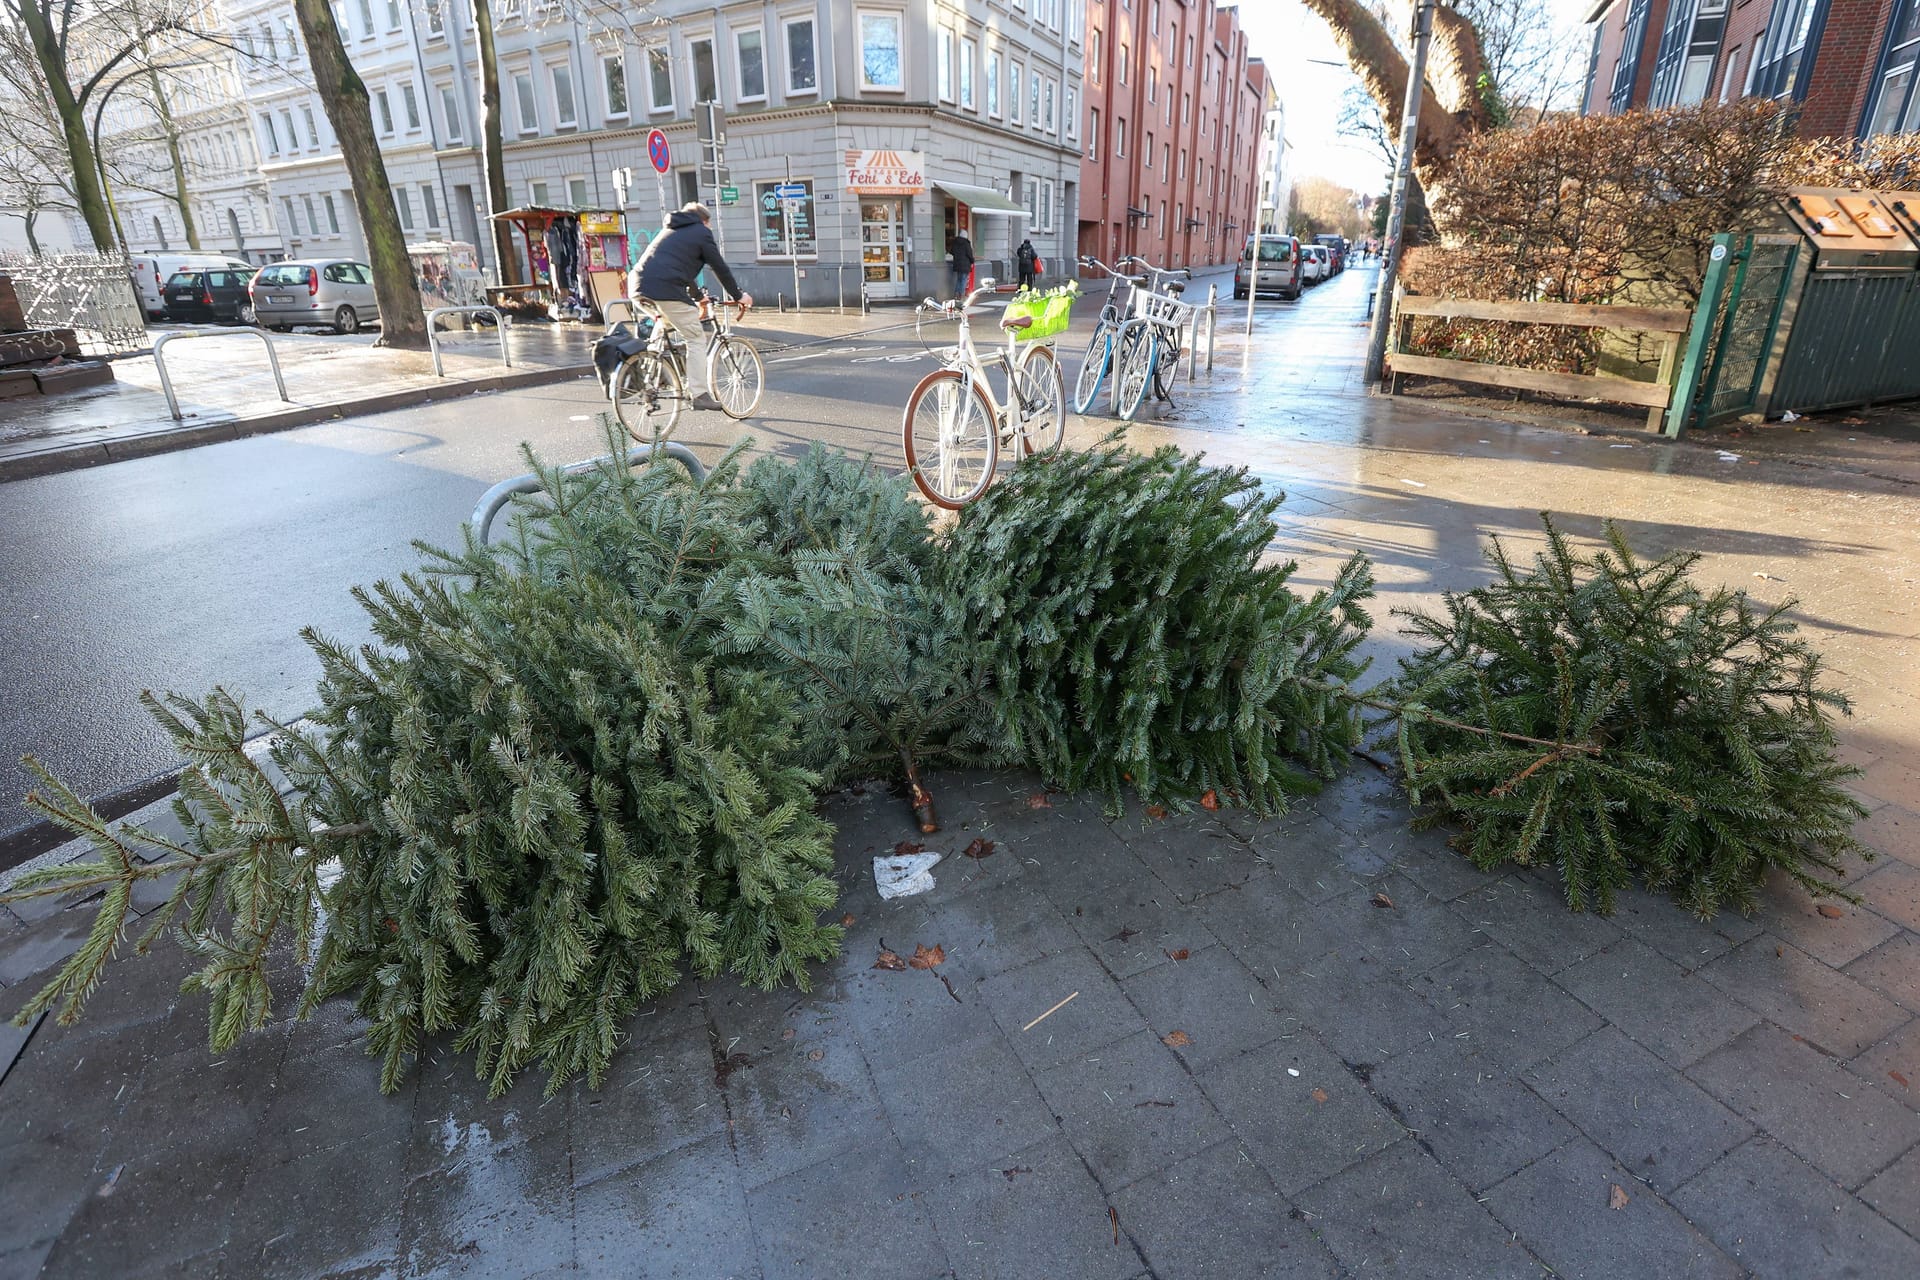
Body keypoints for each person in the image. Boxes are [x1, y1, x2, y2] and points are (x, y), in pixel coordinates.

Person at [629, 202, 753, 411]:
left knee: (663, 324)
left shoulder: (672, 231)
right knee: (695, 337)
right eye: (709, 224)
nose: (710, 228)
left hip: (637, 286)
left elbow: (679, 271)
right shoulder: (700, 233)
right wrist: (739, 295)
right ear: (704, 221)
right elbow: (719, 267)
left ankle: (649, 376)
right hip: (664, 289)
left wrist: (696, 297)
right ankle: (699, 393)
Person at [946, 228, 975, 300]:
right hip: (965, 265)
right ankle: (961, 295)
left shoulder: (955, 242)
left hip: (957, 264)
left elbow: (951, 251)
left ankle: (956, 294)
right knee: (964, 280)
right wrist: (972, 261)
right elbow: (969, 254)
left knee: (959, 280)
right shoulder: (966, 243)